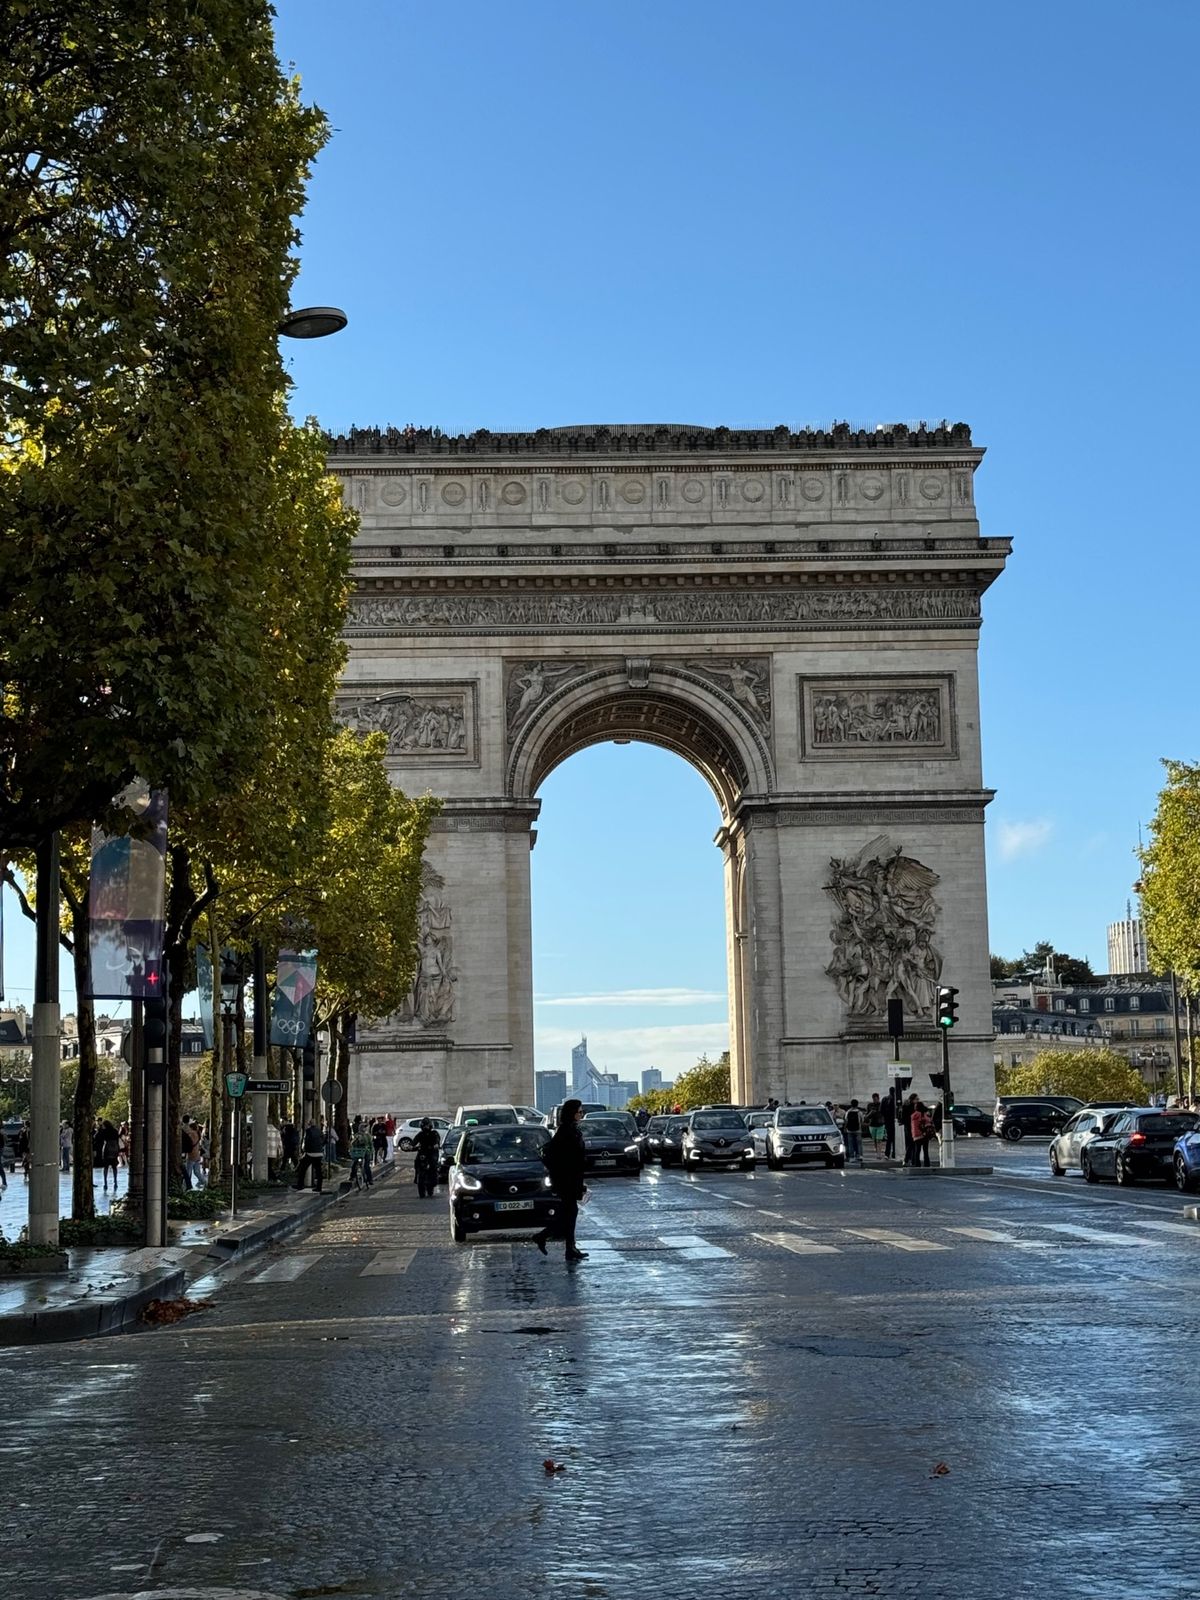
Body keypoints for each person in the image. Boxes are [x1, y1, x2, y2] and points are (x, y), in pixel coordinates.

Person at [532, 1098, 588, 1261]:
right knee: (568, 1214)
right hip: (567, 1179)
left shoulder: (572, 1129)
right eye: (579, 1111)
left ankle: (569, 1248)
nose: (581, 1114)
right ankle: (545, 1237)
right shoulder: (565, 1131)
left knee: (569, 1213)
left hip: (572, 1178)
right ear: (572, 1113)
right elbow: (562, 1157)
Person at [293, 1120, 325, 1192]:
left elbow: (306, 1141)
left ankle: (300, 1185)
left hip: (310, 1153)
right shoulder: (319, 1131)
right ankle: (319, 1187)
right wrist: (320, 1147)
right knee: (318, 1171)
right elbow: (324, 1139)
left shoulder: (308, 1131)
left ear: (309, 1124)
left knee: (302, 1169)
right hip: (319, 1153)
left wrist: (305, 1150)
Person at [413, 1117, 441, 1198]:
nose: (426, 1127)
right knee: (417, 1162)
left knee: (433, 1163)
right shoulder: (420, 1134)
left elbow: (437, 1140)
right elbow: (415, 1141)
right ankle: (417, 1177)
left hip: (431, 1152)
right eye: (424, 1126)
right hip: (423, 1152)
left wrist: (436, 1145)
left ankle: (433, 1179)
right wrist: (411, 1145)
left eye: (427, 1125)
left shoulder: (434, 1133)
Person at [348, 1117, 374, 1189]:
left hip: (366, 1152)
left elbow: (370, 1144)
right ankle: (352, 1176)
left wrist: (370, 1151)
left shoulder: (367, 1135)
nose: (364, 1129)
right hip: (358, 1152)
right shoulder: (356, 1135)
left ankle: (369, 1179)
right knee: (354, 1163)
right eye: (363, 1127)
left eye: (365, 1127)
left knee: (366, 1165)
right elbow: (352, 1143)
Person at [98, 1119, 121, 1193]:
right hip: (114, 1148)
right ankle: (115, 1181)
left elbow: (99, 1137)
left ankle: (105, 1182)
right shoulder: (115, 1130)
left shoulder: (104, 1131)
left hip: (107, 1148)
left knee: (106, 1167)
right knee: (114, 1166)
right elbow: (117, 1140)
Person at [910, 1101, 933, 1168]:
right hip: (923, 1134)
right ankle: (927, 1163)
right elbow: (928, 1121)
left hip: (916, 1135)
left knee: (917, 1150)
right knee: (925, 1150)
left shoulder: (913, 1115)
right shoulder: (922, 1114)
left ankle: (917, 1163)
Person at [181, 1118, 202, 1189]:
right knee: (197, 1172)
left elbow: (189, 1142)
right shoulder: (197, 1133)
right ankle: (205, 1183)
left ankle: (185, 1186)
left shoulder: (192, 1134)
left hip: (191, 1155)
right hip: (197, 1154)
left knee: (188, 1171)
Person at [843, 1098, 864, 1166]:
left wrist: (845, 1128)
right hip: (858, 1130)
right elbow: (862, 1120)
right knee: (859, 1143)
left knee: (850, 1144)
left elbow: (846, 1120)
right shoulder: (859, 1112)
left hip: (849, 1130)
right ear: (857, 1104)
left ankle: (851, 1157)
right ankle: (859, 1155)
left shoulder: (848, 1112)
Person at [882, 1091, 896, 1159]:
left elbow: (881, 1110)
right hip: (894, 1121)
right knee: (894, 1139)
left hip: (888, 1121)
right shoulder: (895, 1099)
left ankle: (887, 1154)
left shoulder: (885, 1099)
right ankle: (894, 1153)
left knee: (889, 1139)